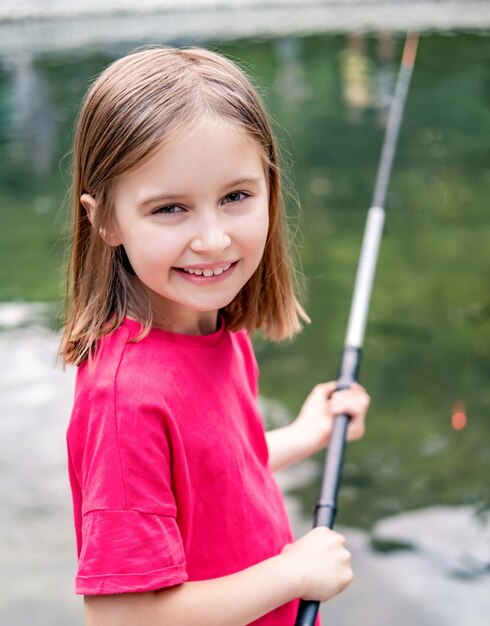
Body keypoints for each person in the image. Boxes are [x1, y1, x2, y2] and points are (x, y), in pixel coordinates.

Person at [60, 46, 370, 626]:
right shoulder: (125, 398)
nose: (212, 239)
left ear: (270, 190)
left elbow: (216, 478)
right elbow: (122, 618)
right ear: (104, 219)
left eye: (235, 197)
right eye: (170, 208)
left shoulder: (214, 327)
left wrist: (307, 433)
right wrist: (293, 573)